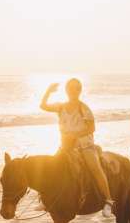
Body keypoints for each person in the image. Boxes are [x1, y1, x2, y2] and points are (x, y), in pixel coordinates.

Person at [39, 78, 114, 210]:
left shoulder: (83, 108)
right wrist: (48, 91)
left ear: (79, 90)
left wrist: (74, 135)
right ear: (66, 90)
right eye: (70, 88)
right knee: (50, 167)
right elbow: (43, 106)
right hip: (66, 146)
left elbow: (91, 128)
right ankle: (45, 201)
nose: (73, 91)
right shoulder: (61, 106)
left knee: (95, 168)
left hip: (84, 145)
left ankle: (108, 200)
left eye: (76, 88)